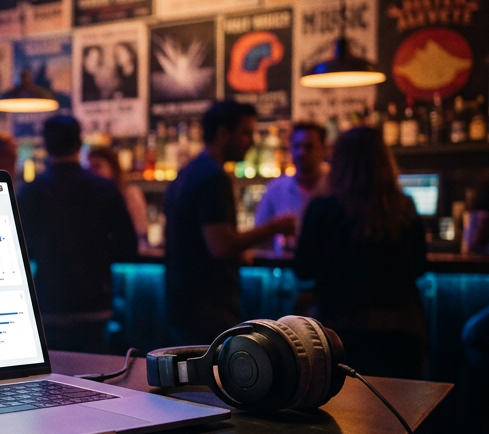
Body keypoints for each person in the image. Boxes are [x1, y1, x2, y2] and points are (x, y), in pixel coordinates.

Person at [295, 127, 428, 379]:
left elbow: (303, 269)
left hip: (341, 332)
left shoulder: (323, 209)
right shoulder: (405, 206)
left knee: (345, 411)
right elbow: (420, 267)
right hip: (402, 330)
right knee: (400, 410)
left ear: (338, 162)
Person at [164, 101, 296, 344]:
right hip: (209, 305)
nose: (252, 141)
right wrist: (273, 227)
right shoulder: (214, 177)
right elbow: (220, 246)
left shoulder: (187, 172)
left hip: (182, 301)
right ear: (223, 132)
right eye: (246, 132)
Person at [17, 115, 138, 352]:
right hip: (95, 301)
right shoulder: (103, 187)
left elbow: (21, 247)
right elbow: (128, 245)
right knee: (93, 371)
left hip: (50, 301)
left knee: (56, 373)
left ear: (46, 145)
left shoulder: (33, 191)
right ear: (79, 142)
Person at [255, 122, 329, 233]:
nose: (301, 152)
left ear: (324, 149)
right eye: (297, 146)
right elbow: (258, 236)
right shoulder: (275, 189)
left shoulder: (335, 189)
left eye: (309, 147)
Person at [88, 145, 149, 242]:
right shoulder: (92, 198)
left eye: (97, 166)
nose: (92, 172)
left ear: (113, 168)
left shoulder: (130, 194)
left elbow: (140, 232)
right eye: (89, 168)